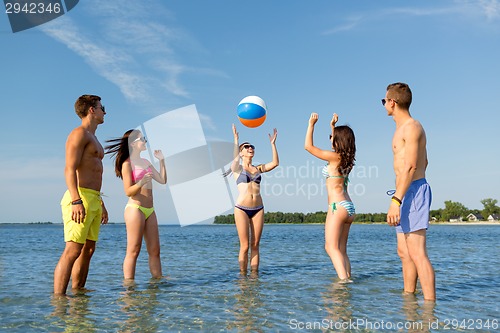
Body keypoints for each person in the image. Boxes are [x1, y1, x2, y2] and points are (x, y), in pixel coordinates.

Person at [383, 82, 435, 301]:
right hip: (404, 191)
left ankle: (429, 310)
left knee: (417, 252)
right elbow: (427, 160)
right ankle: (409, 302)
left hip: (411, 192)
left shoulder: (412, 127)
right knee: (404, 253)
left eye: (384, 100)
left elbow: (413, 165)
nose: (384, 104)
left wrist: (396, 199)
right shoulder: (400, 129)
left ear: (392, 102)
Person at [54, 94, 109, 295]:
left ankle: (78, 294)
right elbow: (69, 169)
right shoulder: (79, 134)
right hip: (79, 197)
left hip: (94, 198)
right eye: (102, 107)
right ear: (92, 110)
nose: (105, 111)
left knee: (88, 250)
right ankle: (59, 301)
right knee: (73, 251)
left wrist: (101, 202)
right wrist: (76, 200)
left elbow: (95, 172)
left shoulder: (94, 138)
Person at [105, 129, 167, 280]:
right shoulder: (127, 164)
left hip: (150, 209)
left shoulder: (146, 162)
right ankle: (129, 287)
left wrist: (162, 161)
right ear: (133, 143)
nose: (145, 141)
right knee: (134, 250)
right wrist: (141, 182)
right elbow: (128, 191)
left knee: (155, 250)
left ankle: (157, 283)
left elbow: (162, 180)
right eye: (142, 139)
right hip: (135, 208)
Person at [305, 113, 356, 282]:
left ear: (338, 141)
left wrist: (311, 124)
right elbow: (337, 144)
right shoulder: (347, 160)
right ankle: (348, 278)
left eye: (332, 137)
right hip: (349, 206)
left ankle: (343, 282)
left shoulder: (334, 158)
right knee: (341, 249)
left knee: (330, 247)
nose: (330, 139)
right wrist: (333, 126)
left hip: (337, 207)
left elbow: (309, 147)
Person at [225, 124, 279, 274]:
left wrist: (273, 144)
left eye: (252, 147)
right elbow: (234, 161)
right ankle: (242, 277)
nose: (250, 148)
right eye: (247, 147)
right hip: (242, 209)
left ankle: (254, 278)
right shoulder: (237, 169)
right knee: (245, 246)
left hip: (258, 209)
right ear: (241, 153)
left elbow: (275, 163)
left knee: (255, 245)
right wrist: (236, 140)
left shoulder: (258, 168)